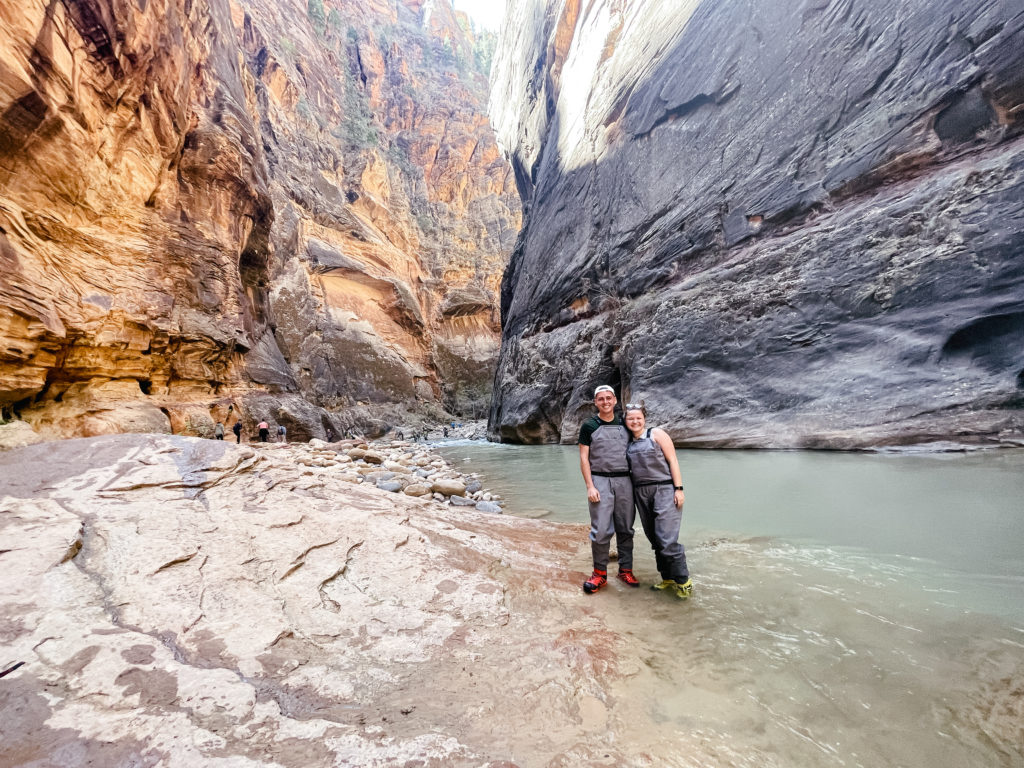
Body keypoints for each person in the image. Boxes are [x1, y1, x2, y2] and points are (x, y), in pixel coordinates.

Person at [623, 403, 692, 599]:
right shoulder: (627, 442)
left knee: (667, 539)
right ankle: (667, 578)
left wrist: (678, 489)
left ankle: (683, 581)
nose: (635, 421)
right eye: (631, 418)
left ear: (644, 419)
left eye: (638, 418)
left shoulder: (656, 434)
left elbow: (673, 461)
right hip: (640, 492)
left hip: (664, 488)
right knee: (654, 538)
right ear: (626, 421)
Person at [578, 385, 638, 593]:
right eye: (601, 399)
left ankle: (626, 569)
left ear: (615, 401)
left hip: (625, 481)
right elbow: (584, 459)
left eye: (608, 398)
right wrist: (590, 486)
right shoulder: (589, 426)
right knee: (601, 529)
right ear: (595, 403)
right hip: (600, 480)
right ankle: (599, 574)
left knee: (626, 528)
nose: (605, 402)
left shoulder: (626, 423)